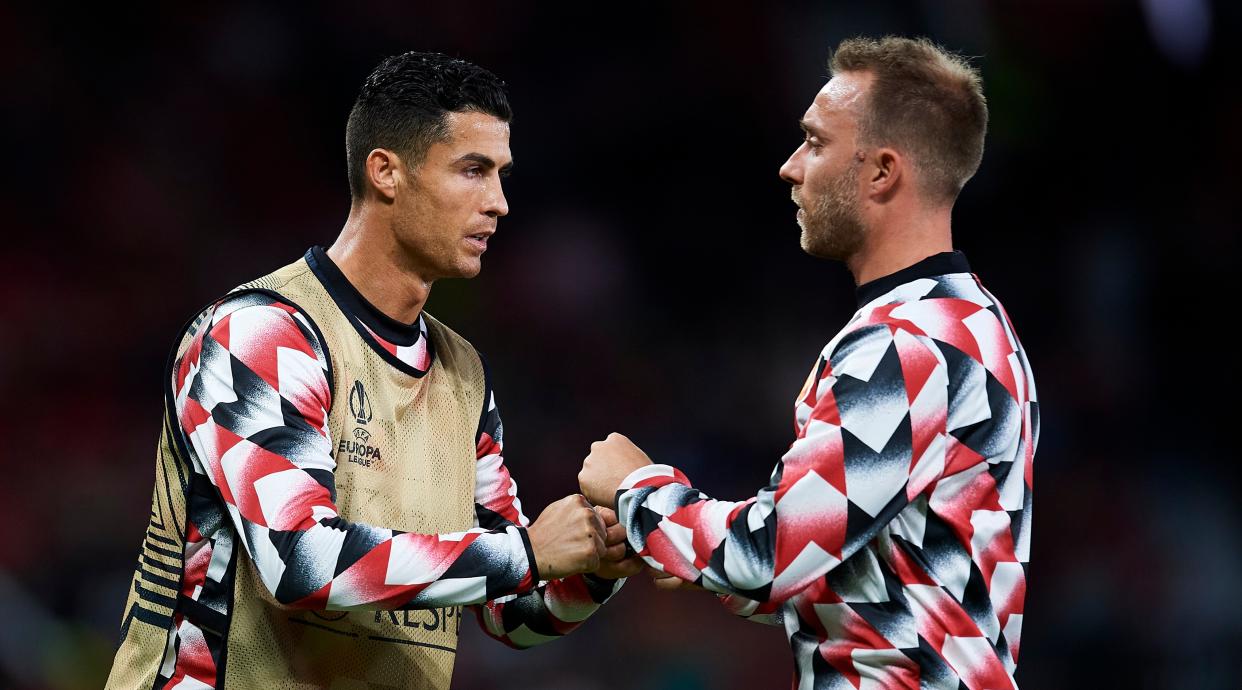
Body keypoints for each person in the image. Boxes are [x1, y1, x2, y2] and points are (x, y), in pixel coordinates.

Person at [106, 52, 640, 690]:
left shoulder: (464, 374)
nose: (498, 203)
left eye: (501, 175)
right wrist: (528, 552)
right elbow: (298, 563)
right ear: (386, 172)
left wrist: (597, 562)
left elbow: (510, 612)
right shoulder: (260, 334)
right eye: (472, 171)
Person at [579, 36, 1038, 689]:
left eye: (816, 143)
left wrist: (637, 489)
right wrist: (663, 540)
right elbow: (827, 573)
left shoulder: (910, 345)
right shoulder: (971, 323)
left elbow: (770, 557)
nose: (790, 167)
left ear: (882, 171)